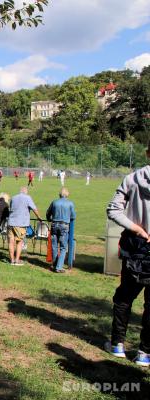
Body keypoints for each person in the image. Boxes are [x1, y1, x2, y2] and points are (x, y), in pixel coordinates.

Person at [105, 146, 150, 367]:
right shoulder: (131, 179)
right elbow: (113, 209)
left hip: (136, 245)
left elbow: (113, 209)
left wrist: (136, 228)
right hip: (137, 246)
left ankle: (117, 344)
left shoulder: (132, 179)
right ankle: (144, 353)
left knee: (124, 297)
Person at [7, 187, 43, 265]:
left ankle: (12, 260)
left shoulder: (13, 197)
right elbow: (34, 208)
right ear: (26, 192)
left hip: (10, 222)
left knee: (11, 241)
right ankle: (17, 260)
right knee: (19, 242)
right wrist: (39, 217)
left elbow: (10, 208)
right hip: (20, 223)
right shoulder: (27, 198)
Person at [46, 187, 76, 273]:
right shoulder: (70, 203)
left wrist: (49, 219)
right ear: (67, 194)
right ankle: (59, 267)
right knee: (63, 247)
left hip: (54, 224)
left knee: (54, 246)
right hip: (64, 225)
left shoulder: (54, 202)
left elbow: (48, 213)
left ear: (59, 194)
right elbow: (73, 216)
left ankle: (55, 264)